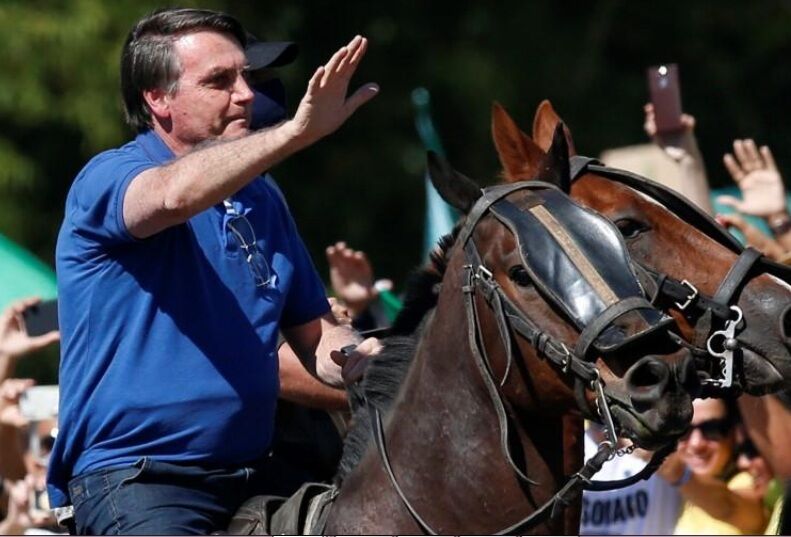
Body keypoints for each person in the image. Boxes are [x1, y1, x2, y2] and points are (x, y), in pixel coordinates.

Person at [48, 7, 380, 535]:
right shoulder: (110, 177)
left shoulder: (263, 198)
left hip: (258, 478)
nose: (246, 93)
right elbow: (173, 195)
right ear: (157, 98)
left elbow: (316, 339)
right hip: (141, 480)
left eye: (245, 76)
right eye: (220, 81)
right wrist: (295, 133)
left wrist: (371, 360)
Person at [668, 397, 768, 534]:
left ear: (735, 432)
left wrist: (675, 471)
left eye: (712, 429)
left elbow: (729, 507)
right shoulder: (676, 493)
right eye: (684, 430)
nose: (696, 443)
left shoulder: (751, 480)